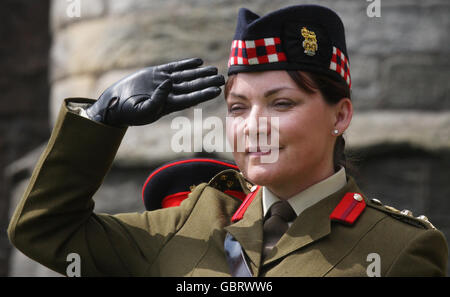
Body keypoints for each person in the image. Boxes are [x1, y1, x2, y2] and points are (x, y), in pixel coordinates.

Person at [8, 4, 448, 277]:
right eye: (238, 108)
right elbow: (45, 231)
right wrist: (100, 121)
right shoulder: (192, 222)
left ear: (341, 114)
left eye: (281, 104)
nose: (254, 125)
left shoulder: (395, 250)